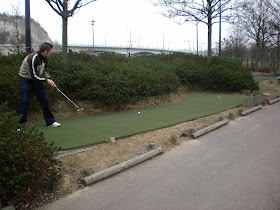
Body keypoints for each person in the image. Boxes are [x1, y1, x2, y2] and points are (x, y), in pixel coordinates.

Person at [18, 42, 61, 127]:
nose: (50, 54)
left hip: (36, 81)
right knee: (24, 101)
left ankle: (50, 121)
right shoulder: (33, 58)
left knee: (45, 100)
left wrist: (49, 79)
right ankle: (20, 125)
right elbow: (33, 76)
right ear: (45, 51)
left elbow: (45, 70)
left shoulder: (45, 58)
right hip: (25, 80)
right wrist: (46, 80)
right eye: (50, 52)